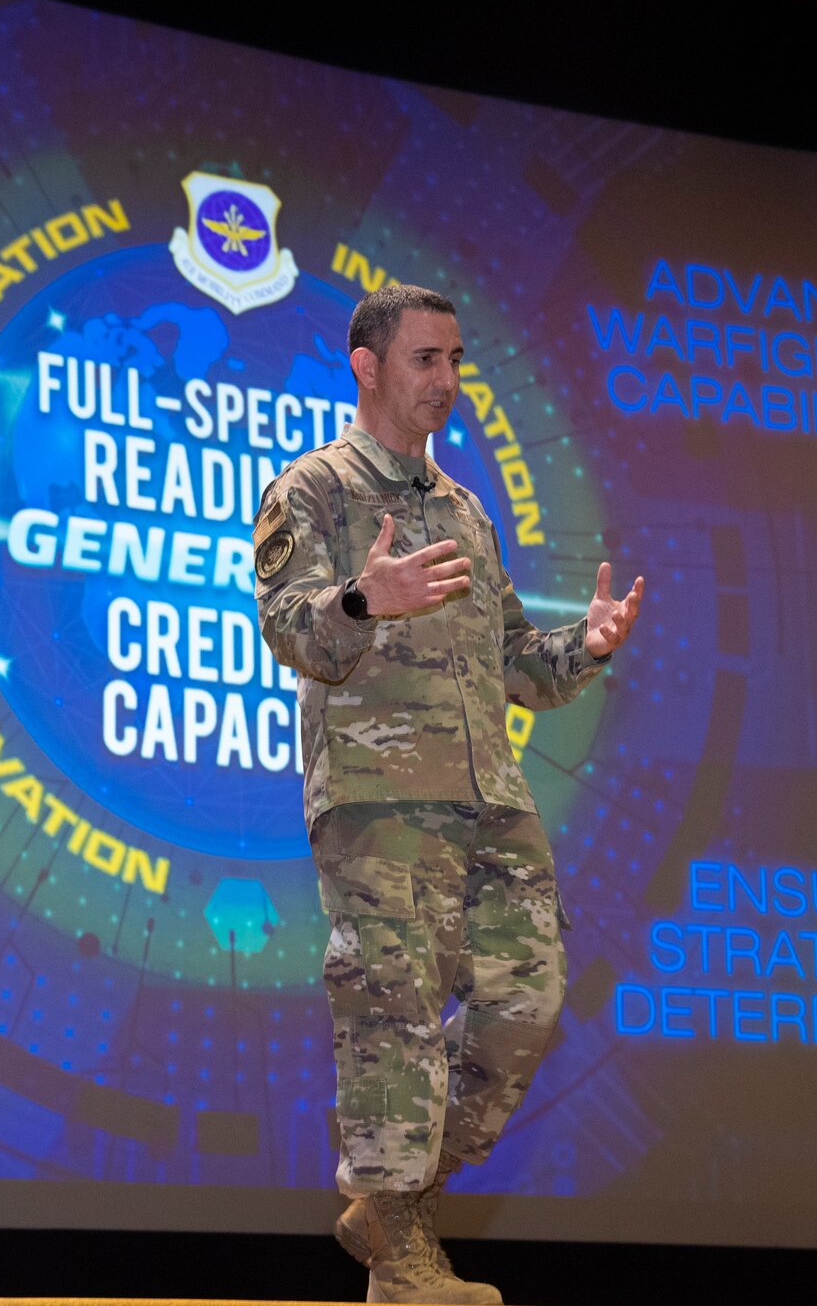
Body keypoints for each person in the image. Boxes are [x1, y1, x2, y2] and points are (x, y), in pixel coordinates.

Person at [254, 283, 643, 1303]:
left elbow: (517, 660)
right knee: (393, 1011)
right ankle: (402, 1251)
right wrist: (358, 596)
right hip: (379, 800)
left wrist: (584, 647)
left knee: (528, 1000)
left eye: (457, 359)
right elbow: (291, 628)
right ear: (367, 365)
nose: (447, 380)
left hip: (490, 802)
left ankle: (393, 1199)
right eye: (425, 358)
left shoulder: (464, 510)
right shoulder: (314, 489)